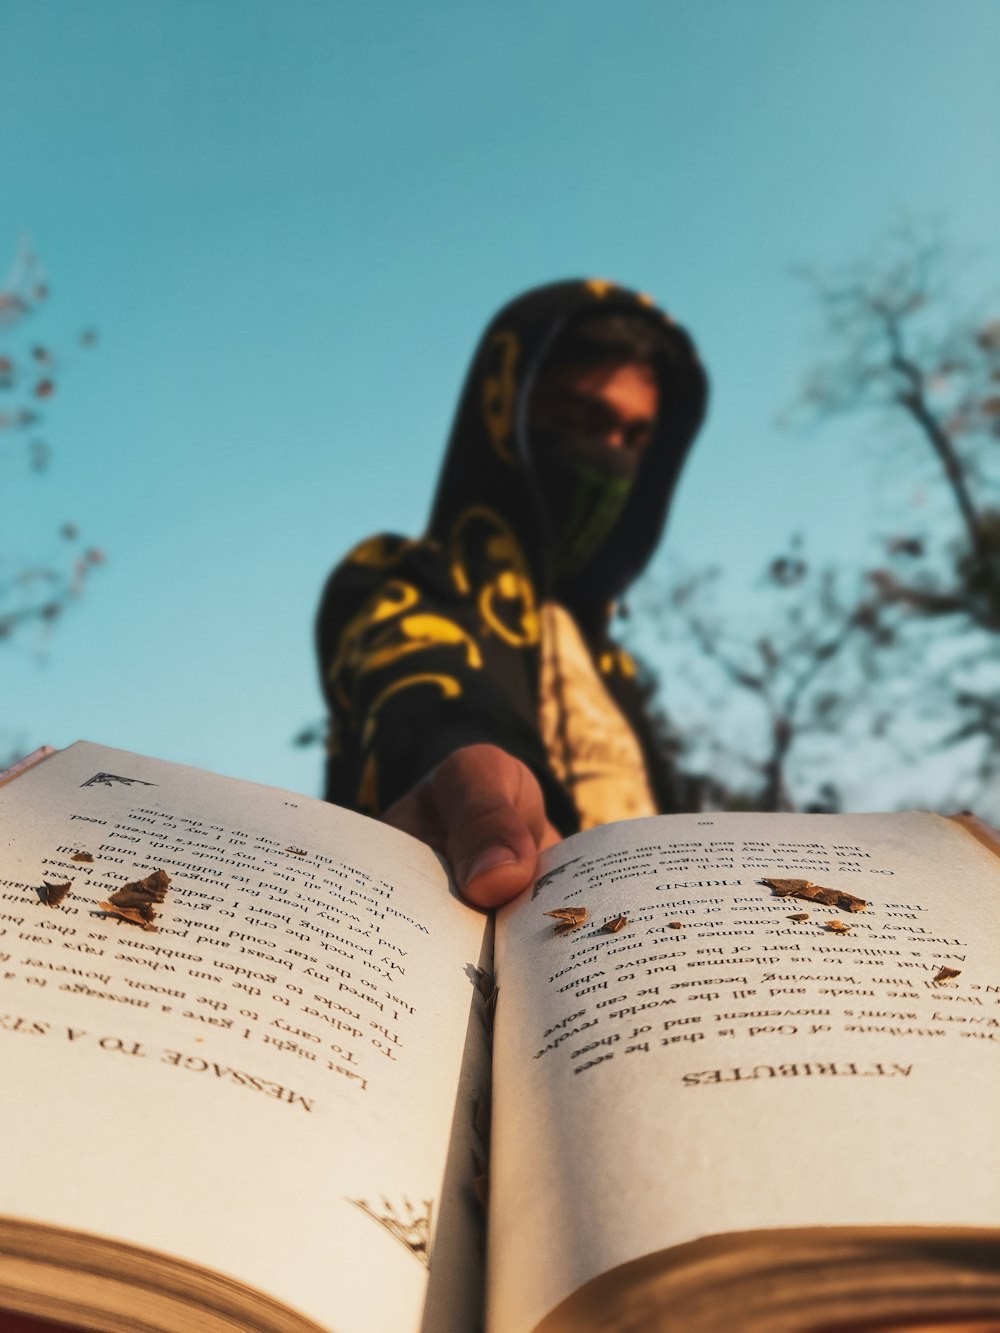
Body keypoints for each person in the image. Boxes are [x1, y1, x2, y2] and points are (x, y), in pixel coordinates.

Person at [316, 278, 708, 909]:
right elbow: (418, 697)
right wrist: (462, 771)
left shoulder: (608, 667)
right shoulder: (396, 580)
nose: (610, 458)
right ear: (507, 413)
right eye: (585, 420)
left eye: (635, 440)